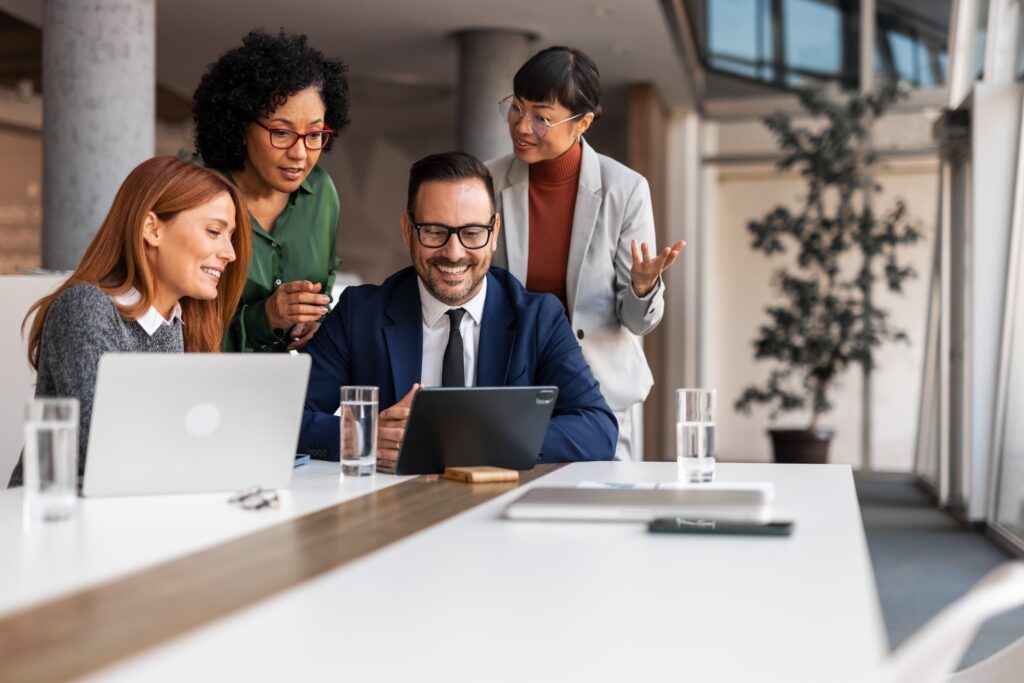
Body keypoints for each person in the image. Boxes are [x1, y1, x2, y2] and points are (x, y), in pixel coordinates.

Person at [299, 152, 616, 464]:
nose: (454, 253)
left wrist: (482, 439)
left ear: (494, 233)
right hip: (391, 505)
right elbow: (288, 418)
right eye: (435, 232)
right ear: (408, 230)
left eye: (472, 233)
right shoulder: (359, 313)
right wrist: (361, 434)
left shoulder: (539, 317)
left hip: (494, 505)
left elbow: (597, 429)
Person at [486, 46, 684, 461]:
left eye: (541, 117)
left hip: (598, 395)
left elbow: (636, 323)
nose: (522, 126)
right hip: (510, 391)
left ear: (583, 123)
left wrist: (643, 288)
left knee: (605, 513)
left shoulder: (625, 189)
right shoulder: (487, 181)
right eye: (516, 108)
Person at [8, 156, 252, 487]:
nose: (230, 253)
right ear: (151, 229)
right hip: (60, 521)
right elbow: (104, 444)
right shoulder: (86, 307)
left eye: (230, 236)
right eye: (214, 232)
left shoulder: (182, 323)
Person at [192, 29, 350, 352]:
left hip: (295, 386)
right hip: (210, 387)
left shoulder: (321, 193)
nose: (301, 154)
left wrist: (315, 320)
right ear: (240, 125)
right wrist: (265, 317)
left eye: (315, 134)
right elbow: (179, 327)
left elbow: (325, 291)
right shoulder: (198, 196)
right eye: (281, 132)